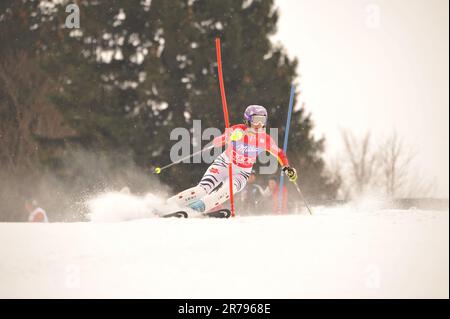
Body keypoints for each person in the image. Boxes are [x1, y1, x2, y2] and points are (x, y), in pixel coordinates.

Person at [167, 105, 297, 214]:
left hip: (242, 173)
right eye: (256, 120)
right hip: (223, 164)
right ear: (248, 120)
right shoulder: (237, 129)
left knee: (225, 191)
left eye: (262, 121)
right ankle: (170, 205)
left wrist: (287, 167)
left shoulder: (265, 139)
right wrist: (229, 137)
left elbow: (280, 153)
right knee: (202, 190)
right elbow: (216, 142)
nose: (259, 124)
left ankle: (196, 209)